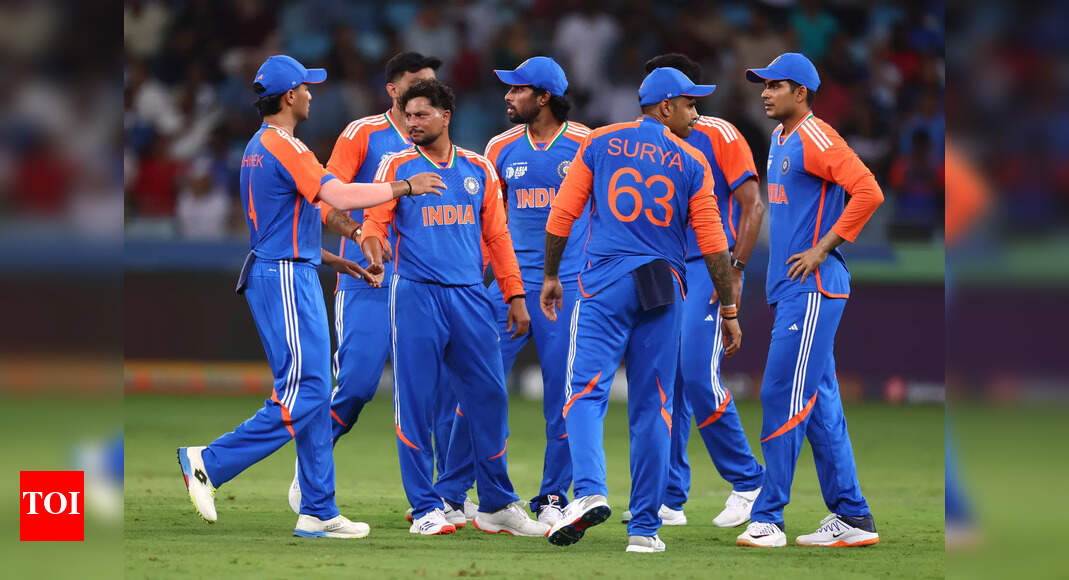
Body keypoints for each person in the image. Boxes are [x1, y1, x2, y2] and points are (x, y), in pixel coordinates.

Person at [176, 55, 444, 539]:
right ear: (289, 96)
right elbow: (338, 197)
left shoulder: (260, 146)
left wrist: (335, 259)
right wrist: (404, 186)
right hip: (284, 277)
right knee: (306, 391)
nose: (311, 94)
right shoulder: (286, 146)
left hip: (288, 267)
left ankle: (318, 509)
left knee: (315, 394)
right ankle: (209, 462)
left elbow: (280, 224)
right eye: (306, 87)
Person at [541, 67, 742, 553]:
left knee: (584, 393)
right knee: (655, 406)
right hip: (662, 285)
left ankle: (590, 491)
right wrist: (729, 307)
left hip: (604, 283)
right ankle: (645, 530)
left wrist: (550, 275)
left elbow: (562, 215)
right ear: (666, 106)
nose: (696, 113)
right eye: (690, 104)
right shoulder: (693, 160)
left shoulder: (599, 142)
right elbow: (713, 243)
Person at [285, 52, 475, 524]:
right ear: (392, 90)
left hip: (426, 285)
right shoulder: (362, 134)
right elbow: (325, 201)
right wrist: (359, 235)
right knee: (357, 384)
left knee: (440, 392)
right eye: (416, 83)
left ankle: (446, 495)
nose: (426, 90)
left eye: (432, 83)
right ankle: (311, 466)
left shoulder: (442, 143)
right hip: (370, 279)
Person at [360, 79, 548, 537]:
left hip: (471, 298)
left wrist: (515, 296)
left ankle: (497, 504)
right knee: (416, 403)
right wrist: (373, 246)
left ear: (445, 116)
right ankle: (426, 506)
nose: (412, 123)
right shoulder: (396, 166)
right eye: (407, 115)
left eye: (421, 114)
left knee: (490, 397)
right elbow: (374, 220)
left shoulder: (478, 168)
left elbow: (498, 237)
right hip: (416, 296)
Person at [433, 56, 590, 526]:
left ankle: (552, 498)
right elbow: (488, 220)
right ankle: (453, 493)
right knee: (474, 387)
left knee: (564, 396)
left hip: (567, 289)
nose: (508, 96)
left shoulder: (587, 143)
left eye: (518, 89)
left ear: (544, 97)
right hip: (507, 287)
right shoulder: (499, 147)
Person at [736, 53, 883, 548]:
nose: (764, 93)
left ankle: (769, 519)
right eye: (763, 85)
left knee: (782, 394)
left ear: (801, 93)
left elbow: (868, 191)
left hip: (813, 288)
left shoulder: (816, 137)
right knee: (821, 408)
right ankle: (853, 516)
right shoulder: (781, 139)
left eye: (774, 85)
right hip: (792, 289)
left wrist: (822, 248)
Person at [618, 53, 766, 529]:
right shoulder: (640, 141)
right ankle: (669, 497)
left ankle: (749, 480)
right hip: (662, 268)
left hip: (706, 265)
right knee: (669, 383)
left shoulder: (719, 134)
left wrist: (735, 270)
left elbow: (752, 205)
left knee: (699, 376)